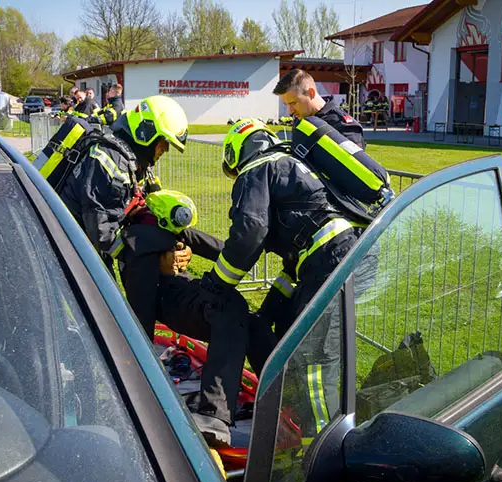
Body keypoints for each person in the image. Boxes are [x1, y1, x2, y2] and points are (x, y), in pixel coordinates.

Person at [201, 118, 364, 444]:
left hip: (332, 260)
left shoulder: (256, 169)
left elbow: (249, 232)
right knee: (298, 339)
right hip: (339, 256)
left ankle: (323, 448)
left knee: (314, 358)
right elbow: (293, 270)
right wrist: (267, 314)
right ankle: (309, 421)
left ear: (237, 151)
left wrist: (217, 283)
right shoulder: (290, 166)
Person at [114, 195, 276, 448]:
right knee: (227, 305)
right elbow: (141, 308)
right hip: (174, 305)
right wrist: (143, 366)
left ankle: (280, 393)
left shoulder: (159, 230)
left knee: (251, 324)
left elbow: (212, 246)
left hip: (182, 295)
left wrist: (248, 247)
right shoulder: (143, 244)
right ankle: (214, 415)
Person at [56, 94, 188, 272]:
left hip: (85, 247)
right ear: (146, 132)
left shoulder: (132, 160)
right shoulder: (111, 164)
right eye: (164, 142)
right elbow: (103, 234)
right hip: (68, 251)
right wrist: (155, 259)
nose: (166, 149)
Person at [273, 69, 366, 149]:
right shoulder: (301, 119)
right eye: (286, 105)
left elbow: (355, 163)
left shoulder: (344, 126)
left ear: (311, 93)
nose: (290, 111)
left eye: (293, 103)